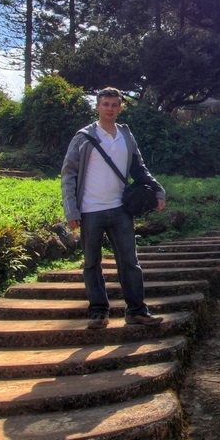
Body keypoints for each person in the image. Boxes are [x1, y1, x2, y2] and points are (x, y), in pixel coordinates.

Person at [61, 87, 166, 329]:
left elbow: (140, 168)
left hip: (120, 208)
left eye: (114, 105)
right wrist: (71, 210)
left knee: (130, 261)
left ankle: (137, 310)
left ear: (120, 107)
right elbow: (69, 175)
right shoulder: (83, 137)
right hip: (90, 209)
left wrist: (158, 190)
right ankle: (98, 312)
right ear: (97, 107)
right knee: (91, 263)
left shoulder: (126, 135)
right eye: (105, 104)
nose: (109, 108)